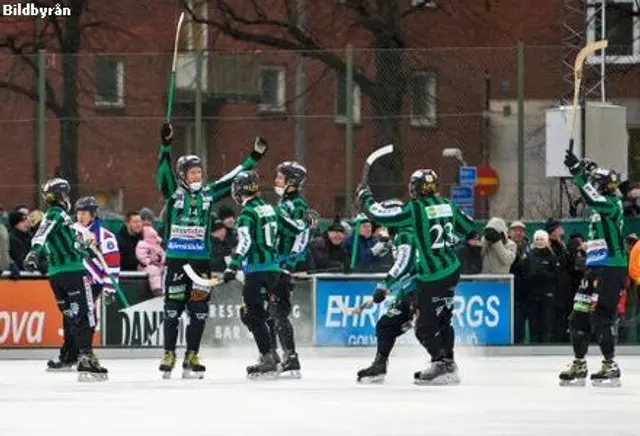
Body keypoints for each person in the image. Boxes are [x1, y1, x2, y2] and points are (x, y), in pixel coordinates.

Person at [156, 122, 268, 379]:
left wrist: (254, 157)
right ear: (183, 175)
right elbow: (162, 173)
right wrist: (165, 145)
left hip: (200, 262)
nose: (198, 177)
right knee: (172, 309)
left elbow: (232, 177)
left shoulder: (208, 194)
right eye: (193, 173)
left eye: (200, 172)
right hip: (176, 260)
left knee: (198, 310)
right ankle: (169, 353)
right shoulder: (173, 194)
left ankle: (192, 354)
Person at [357, 169, 475, 385]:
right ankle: (445, 361)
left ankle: (443, 364)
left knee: (423, 325)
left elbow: (378, 215)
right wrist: (444, 245)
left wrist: (365, 197)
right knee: (441, 321)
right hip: (450, 270)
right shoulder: (448, 204)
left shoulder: (414, 212)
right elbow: (469, 227)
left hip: (432, 277)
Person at [23, 180, 108, 381]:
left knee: (73, 317)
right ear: (62, 196)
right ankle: (86, 357)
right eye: (67, 195)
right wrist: (33, 254)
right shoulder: (56, 214)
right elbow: (42, 235)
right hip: (73, 273)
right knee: (87, 315)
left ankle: (71, 356)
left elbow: (71, 244)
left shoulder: (62, 219)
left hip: (57, 276)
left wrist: (87, 248)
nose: (68, 199)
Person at [559, 151, 627, 387]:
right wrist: (581, 168)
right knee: (578, 316)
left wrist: (578, 173)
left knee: (601, 317)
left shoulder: (611, 204)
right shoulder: (602, 205)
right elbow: (590, 189)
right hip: (596, 266)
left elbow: (591, 197)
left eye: (595, 184)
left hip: (611, 267)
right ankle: (579, 364)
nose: (592, 186)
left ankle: (610, 365)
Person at [47, 196, 121, 371]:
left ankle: (83, 354)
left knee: (83, 317)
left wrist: (110, 288)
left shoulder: (105, 236)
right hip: (75, 278)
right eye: (79, 212)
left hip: (93, 282)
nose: (81, 216)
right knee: (70, 317)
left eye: (85, 213)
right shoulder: (70, 230)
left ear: (93, 214)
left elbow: (113, 264)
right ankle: (69, 356)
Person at [223, 170, 282, 379]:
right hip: (273, 269)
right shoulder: (269, 208)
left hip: (257, 271)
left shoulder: (247, 213)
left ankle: (267, 358)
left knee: (252, 315)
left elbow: (246, 241)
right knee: (264, 315)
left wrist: (233, 265)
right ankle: (273, 354)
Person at [357, 200, 418, 383]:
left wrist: (384, 285)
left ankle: (443, 361)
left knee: (426, 330)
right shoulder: (399, 235)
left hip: (419, 291)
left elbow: (403, 265)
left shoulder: (406, 235)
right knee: (385, 326)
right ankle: (379, 365)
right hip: (409, 292)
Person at [523, 230, 558, 343]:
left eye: (542, 239)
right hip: (532, 294)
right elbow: (524, 272)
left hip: (547, 294)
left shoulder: (552, 257)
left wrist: (544, 273)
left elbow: (557, 275)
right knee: (534, 323)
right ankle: (534, 346)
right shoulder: (529, 256)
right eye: (537, 239)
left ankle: (546, 345)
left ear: (547, 241)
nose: (539, 242)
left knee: (546, 322)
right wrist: (532, 275)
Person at [508, 221, 530, 343]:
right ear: (509, 232)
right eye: (515, 230)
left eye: (521, 231)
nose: (518, 233)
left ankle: (520, 343)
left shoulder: (528, 247)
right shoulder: (505, 245)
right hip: (509, 289)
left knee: (521, 321)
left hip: (524, 291)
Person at [135, 225, 166, 297]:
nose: (154, 238)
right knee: (154, 271)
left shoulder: (157, 245)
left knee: (165, 270)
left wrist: (160, 259)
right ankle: (156, 290)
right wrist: (150, 260)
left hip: (158, 265)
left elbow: (163, 254)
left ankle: (165, 290)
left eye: (154, 236)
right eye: (152, 236)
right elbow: (141, 256)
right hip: (145, 266)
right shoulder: (142, 244)